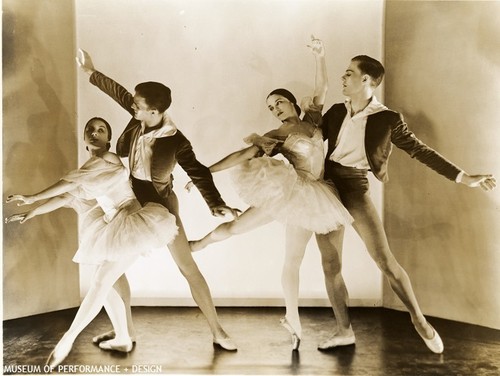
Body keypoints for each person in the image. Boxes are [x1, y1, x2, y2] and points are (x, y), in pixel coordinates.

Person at [314, 55, 497, 354]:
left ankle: (419, 320)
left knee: (384, 260)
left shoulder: (388, 118)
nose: (343, 78)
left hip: (356, 186)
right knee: (330, 264)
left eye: (349, 73)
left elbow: (420, 150)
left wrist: (463, 177)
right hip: (327, 187)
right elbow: (307, 137)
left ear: (366, 80)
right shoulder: (336, 111)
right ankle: (343, 331)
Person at [187, 37, 352, 351]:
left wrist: (321, 55)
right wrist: (204, 173)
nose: (275, 109)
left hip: (315, 194)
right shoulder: (277, 135)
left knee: (294, 258)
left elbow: (324, 87)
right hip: (292, 192)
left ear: (292, 102)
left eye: (278, 103)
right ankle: (199, 244)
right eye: (270, 107)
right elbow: (242, 155)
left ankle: (292, 318)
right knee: (242, 231)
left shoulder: (313, 120)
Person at [76, 49, 239, 351]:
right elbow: (120, 93)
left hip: (161, 208)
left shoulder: (177, 140)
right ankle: (126, 333)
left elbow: (199, 172)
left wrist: (216, 204)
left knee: (187, 267)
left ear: (153, 111)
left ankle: (217, 331)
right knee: (110, 266)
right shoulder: (141, 114)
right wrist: (91, 72)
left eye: (137, 106)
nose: (132, 106)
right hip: (128, 200)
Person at [5, 117, 179, 368]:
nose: (95, 133)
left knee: (100, 281)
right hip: (116, 224)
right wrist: (33, 211)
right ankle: (122, 337)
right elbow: (68, 195)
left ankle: (68, 339)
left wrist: (33, 197)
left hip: (132, 221)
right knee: (103, 284)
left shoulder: (108, 160)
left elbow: (70, 183)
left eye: (101, 130)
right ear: (84, 137)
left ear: (109, 139)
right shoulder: (90, 167)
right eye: (90, 129)